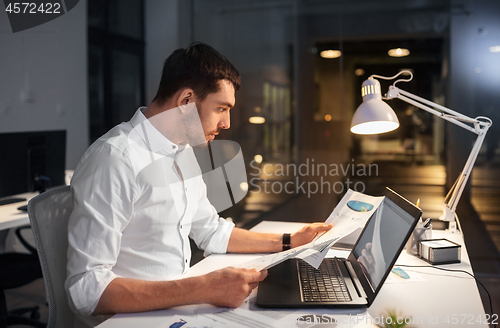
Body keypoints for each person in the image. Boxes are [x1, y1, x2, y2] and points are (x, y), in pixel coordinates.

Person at [65, 42, 332, 327]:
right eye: (221, 109)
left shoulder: (181, 150)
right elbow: (86, 290)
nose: (227, 123)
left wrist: (288, 242)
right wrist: (202, 288)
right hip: (132, 319)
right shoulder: (115, 158)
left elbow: (211, 230)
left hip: (175, 308)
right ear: (186, 102)